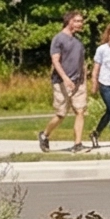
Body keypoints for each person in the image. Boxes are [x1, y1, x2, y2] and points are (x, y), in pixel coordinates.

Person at [39, 11, 89, 153]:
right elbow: (55, 61)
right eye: (78, 21)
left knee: (80, 111)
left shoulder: (78, 42)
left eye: (81, 21)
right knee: (61, 114)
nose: (81, 23)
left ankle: (77, 144)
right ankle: (44, 135)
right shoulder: (58, 39)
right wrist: (66, 78)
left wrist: (83, 78)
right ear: (70, 22)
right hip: (61, 81)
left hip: (78, 82)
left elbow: (81, 62)